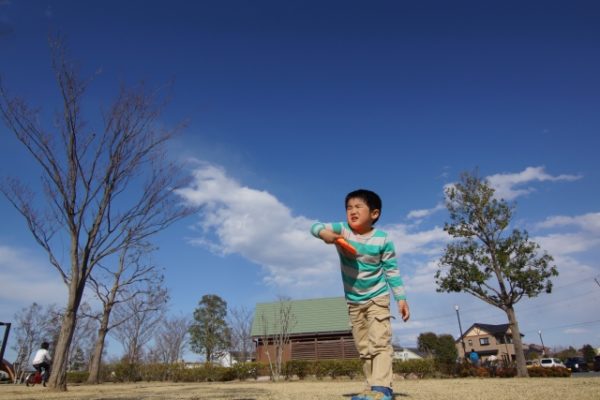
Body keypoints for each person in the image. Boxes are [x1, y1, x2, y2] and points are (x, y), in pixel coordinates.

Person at [311, 189, 410, 400]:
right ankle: (371, 387)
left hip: (377, 297)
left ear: (374, 213)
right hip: (354, 301)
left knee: (380, 342)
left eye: (358, 207)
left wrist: (401, 298)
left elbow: (392, 270)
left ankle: (383, 389)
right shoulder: (343, 230)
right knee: (364, 347)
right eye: (348, 207)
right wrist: (324, 235)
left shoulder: (383, 240)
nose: (352, 211)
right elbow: (315, 226)